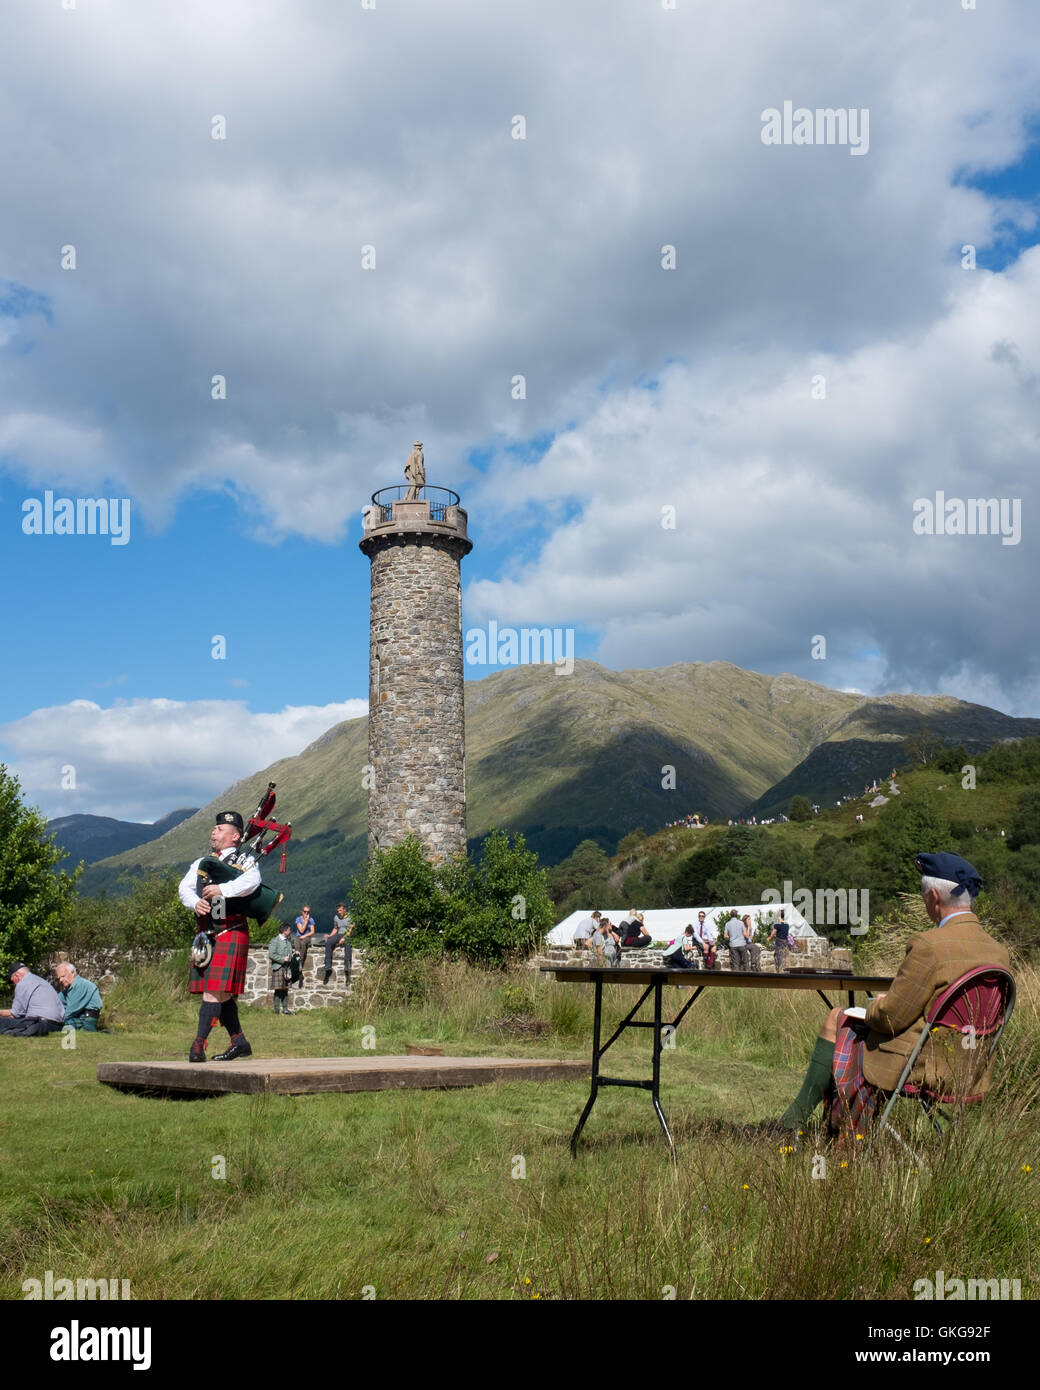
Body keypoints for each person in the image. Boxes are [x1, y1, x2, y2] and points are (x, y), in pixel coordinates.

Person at [761, 852, 1012, 1143]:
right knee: (846, 1021)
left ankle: (796, 1126)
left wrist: (878, 1003)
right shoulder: (998, 952)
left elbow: (890, 1018)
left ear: (933, 896)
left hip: (922, 1065)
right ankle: (804, 1126)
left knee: (836, 1018)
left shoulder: (928, 945)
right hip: (971, 1069)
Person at [178, 809, 261, 1062]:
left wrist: (222, 890)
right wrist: (195, 903)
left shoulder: (245, 860)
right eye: (214, 828)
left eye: (220, 829)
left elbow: (252, 882)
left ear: (235, 836)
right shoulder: (203, 862)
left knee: (213, 991)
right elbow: (185, 887)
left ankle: (197, 1046)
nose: (214, 831)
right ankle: (239, 1042)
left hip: (231, 930)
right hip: (207, 933)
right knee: (220, 993)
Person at [0, 963, 66, 1035]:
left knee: (3, 1022)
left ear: (17, 976)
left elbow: (15, 1013)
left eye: (12, 981)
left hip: (41, 1023)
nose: (13, 984)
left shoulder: (22, 983)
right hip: (58, 1025)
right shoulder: (41, 980)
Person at [54, 962, 102, 1030]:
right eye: (59, 978)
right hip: (77, 1017)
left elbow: (71, 1011)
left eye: (63, 976)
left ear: (73, 973)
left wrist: (53, 1020)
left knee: (61, 1027)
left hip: (87, 1019)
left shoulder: (82, 985)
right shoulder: (69, 989)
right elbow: (56, 1000)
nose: (60, 980)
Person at [323, 903, 354, 985]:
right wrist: (329, 936)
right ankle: (328, 965)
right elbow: (335, 928)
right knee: (329, 942)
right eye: (338, 911)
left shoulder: (350, 916)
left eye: (340, 910)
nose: (339, 912)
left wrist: (344, 938)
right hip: (339, 934)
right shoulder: (336, 917)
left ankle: (347, 966)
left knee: (348, 943)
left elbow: (351, 929)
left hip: (348, 934)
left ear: (344, 910)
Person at [268, 923, 295, 1015]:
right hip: (279, 967)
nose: (290, 931)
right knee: (278, 989)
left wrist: (295, 953)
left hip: (287, 968)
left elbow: (289, 953)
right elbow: (271, 954)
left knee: (285, 989)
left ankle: (285, 1009)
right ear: (285, 931)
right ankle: (276, 1010)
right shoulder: (275, 941)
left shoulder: (288, 941)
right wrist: (282, 959)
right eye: (289, 930)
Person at [293, 905, 316, 975]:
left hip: (306, 937)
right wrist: (305, 922)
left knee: (303, 943)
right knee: (296, 942)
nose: (306, 913)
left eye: (308, 912)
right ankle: (297, 957)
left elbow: (312, 931)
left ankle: (301, 960)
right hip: (299, 936)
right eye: (305, 912)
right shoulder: (298, 919)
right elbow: (301, 930)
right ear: (302, 912)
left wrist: (305, 936)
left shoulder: (311, 920)